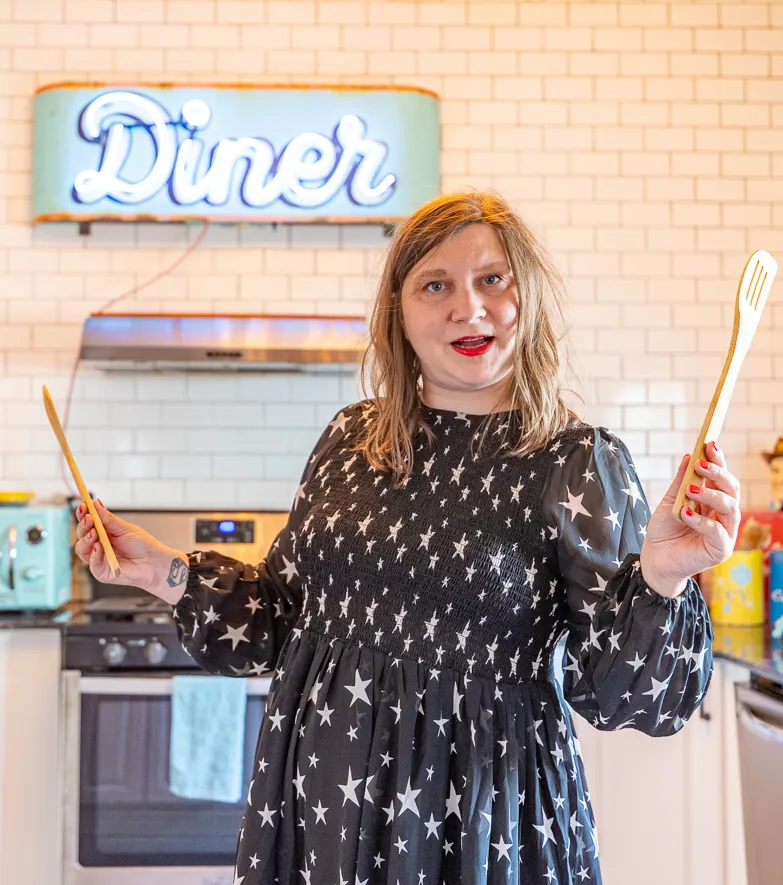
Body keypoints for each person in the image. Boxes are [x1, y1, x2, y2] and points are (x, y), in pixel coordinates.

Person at [74, 191, 739, 885]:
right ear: (401, 312)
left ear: (528, 296)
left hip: (480, 828)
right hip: (319, 806)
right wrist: (165, 572)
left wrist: (663, 578)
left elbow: (634, 698)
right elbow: (277, 617)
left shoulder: (576, 462)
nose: (468, 307)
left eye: (491, 279)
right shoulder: (349, 440)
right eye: (435, 285)